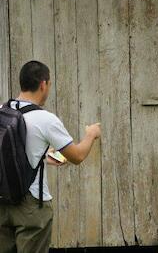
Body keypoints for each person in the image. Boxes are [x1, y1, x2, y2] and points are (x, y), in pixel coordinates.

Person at [0, 60, 101, 253]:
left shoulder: (2, 110)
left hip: (3, 202)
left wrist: (49, 157)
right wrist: (91, 134)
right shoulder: (45, 119)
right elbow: (77, 156)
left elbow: (16, 152)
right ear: (43, 84)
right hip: (31, 206)